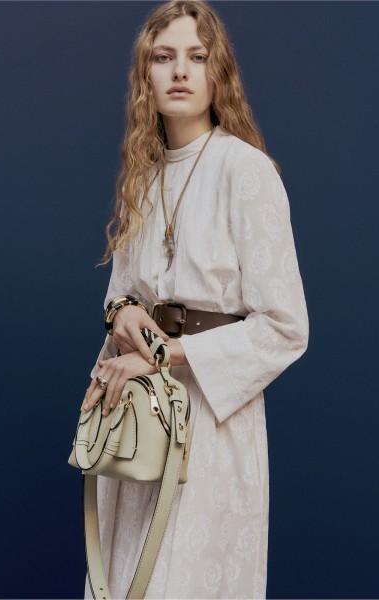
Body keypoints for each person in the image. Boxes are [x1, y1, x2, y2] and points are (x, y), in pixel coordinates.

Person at [82, 1, 308, 598]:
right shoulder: (143, 176)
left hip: (209, 420)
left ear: (217, 72)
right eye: (164, 57)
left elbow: (285, 327)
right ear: (146, 75)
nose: (180, 71)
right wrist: (124, 313)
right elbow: (120, 294)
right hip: (139, 417)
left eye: (197, 56)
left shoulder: (246, 171)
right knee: (127, 580)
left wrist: (165, 357)